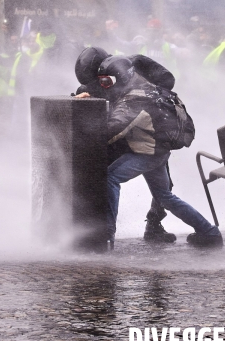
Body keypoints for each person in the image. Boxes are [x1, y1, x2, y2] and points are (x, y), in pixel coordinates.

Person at [77, 55, 223, 249]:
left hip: (147, 153)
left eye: (106, 81)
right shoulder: (144, 87)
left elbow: (113, 129)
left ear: (119, 78)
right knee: (164, 196)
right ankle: (209, 232)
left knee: (110, 178)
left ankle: (107, 237)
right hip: (158, 150)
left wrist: (80, 136)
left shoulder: (133, 99)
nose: (103, 85)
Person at [74, 46, 177, 243]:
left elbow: (168, 80)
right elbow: (88, 90)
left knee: (164, 185)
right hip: (122, 130)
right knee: (104, 175)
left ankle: (154, 224)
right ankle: (97, 228)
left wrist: (143, 93)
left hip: (150, 131)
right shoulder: (101, 81)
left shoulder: (136, 63)